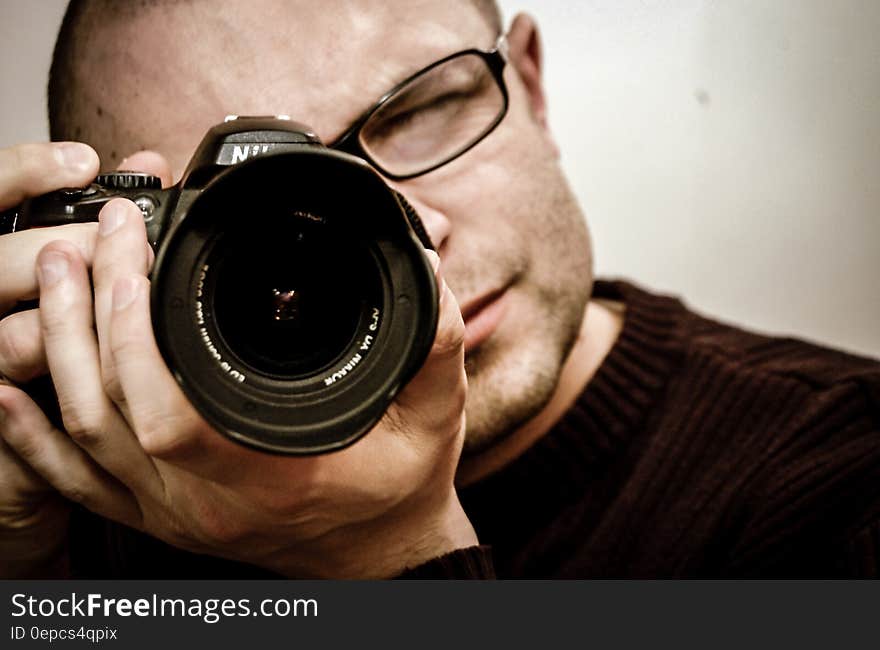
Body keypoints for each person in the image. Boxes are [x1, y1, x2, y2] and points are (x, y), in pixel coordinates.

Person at [0, 0, 878, 579]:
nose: (416, 234)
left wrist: (393, 555)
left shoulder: (840, 480)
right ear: (113, 244)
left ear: (528, 83)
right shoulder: (74, 475)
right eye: (251, 203)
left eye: (418, 111)